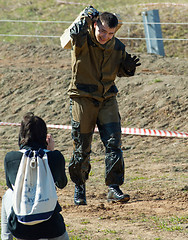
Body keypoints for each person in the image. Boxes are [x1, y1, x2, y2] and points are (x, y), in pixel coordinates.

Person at [67, 6, 141, 205]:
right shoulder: (82, 38)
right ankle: (80, 187)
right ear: (95, 25)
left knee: (113, 142)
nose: (105, 36)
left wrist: (128, 69)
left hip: (107, 98)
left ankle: (113, 187)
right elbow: (72, 34)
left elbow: (120, 71)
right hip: (83, 98)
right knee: (81, 146)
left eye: (110, 33)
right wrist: (85, 18)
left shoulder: (117, 47)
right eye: (102, 31)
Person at [1, 112, 69, 240]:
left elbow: (11, 185)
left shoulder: (11, 158)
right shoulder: (55, 157)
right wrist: (52, 151)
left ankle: (6, 238)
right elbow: (62, 184)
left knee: (8, 194)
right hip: (52, 226)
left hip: (21, 227)